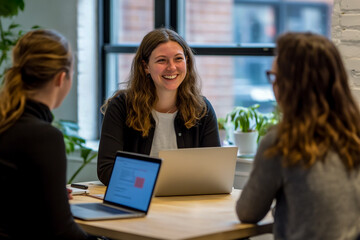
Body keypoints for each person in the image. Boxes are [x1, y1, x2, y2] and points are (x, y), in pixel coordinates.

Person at [236, 32, 360, 240]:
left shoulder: (282, 140)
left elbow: (247, 212)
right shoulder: (353, 134)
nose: (273, 86)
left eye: (275, 78)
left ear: (290, 85)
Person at [0, 29, 105, 240]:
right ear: (61, 78)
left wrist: (47, 196)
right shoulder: (43, 137)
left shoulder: (7, 123)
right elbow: (62, 233)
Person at [97, 28, 220, 185]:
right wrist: (158, 182)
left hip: (187, 203)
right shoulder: (121, 107)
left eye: (178, 59)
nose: (171, 67)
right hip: (137, 198)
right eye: (162, 60)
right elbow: (107, 169)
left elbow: (214, 170)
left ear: (187, 62)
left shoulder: (202, 109)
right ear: (145, 66)